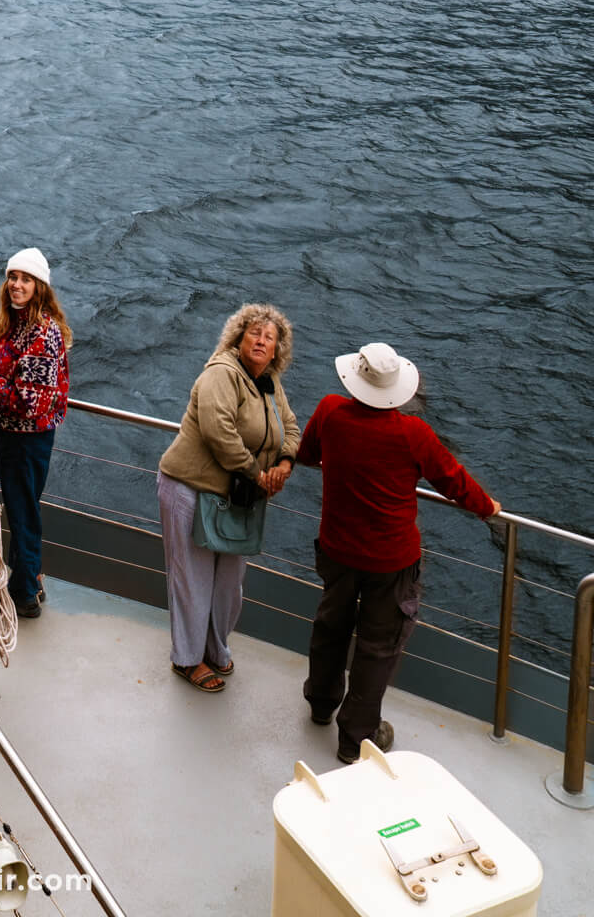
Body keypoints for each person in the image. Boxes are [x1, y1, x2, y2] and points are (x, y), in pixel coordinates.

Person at [297, 340, 500, 764]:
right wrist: (488, 507)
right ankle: (356, 739)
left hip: (337, 549)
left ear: (355, 379)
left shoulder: (331, 411)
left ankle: (320, 703)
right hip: (391, 561)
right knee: (377, 647)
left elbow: (307, 454)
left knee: (331, 626)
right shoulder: (413, 434)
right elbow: (452, 479)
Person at [157, 304, 299, 691]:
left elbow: (290, 427)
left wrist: (284, 463)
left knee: (229, 584)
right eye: (254, 333)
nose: (261, 341)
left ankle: (216, 649)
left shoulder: (269, 383)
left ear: (276, 351)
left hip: (235, 498)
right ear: (238, 337)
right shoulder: (222, 373)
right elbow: (220, 432)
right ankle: (187, 659)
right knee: (193, 579)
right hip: (190, 489)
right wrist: (259, 475)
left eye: (269, 338)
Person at [0, 248, 71, 619]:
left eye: (25, 279)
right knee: (22, 508)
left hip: (28, 438)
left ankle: (25, 594)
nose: (16, 285)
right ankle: (27, 581)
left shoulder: (44, 334)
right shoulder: (9, 323)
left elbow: (30, 403)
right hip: (8, 434)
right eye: (12, 277)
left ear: (40, 286)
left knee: (23, 512)